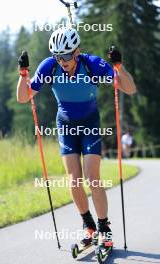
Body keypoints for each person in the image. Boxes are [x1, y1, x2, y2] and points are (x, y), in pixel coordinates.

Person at [17, 27, 136, 246]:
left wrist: (118, 67)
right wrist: (23, 74)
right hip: (65, 124)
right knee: (74, 180)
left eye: (66, 55)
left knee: (92, 177)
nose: (62, 61)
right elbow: (24, 97)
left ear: (77, 51)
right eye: (57, 55)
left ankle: (104, 227)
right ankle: (88, 225)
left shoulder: (92, 64)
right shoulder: (49, 66)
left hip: (90, 123)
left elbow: (129, 88)